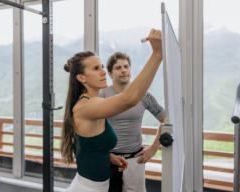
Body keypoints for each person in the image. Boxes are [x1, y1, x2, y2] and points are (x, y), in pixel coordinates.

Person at [61, 29, 163, 192]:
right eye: (96, 68)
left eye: (101, 66)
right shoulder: (86, 106)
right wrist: (157, 55)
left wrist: (109, 157)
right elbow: (128, 99)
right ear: (81, 78)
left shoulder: (96, 102)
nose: (102, 71)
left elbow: (91, 145)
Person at [100, 52, 165, 192]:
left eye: (126, 66)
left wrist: (153, 149)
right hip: (108, 159)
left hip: (135, 160)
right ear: (110, 74)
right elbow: (92, 129)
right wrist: (107, 155)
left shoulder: (144, 96)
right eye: (118, 67)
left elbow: (166, 121)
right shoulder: (102, 95)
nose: (123, 70)